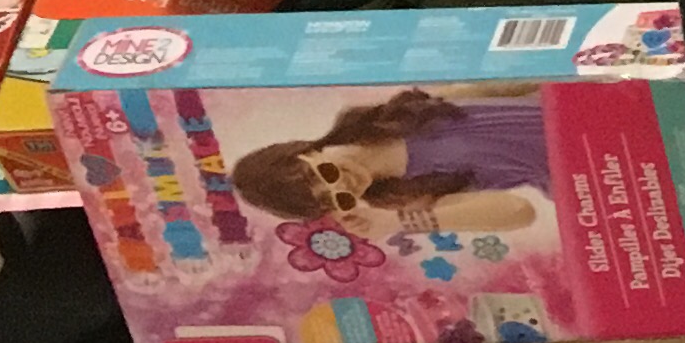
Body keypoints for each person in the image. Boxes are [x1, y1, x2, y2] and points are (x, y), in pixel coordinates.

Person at [231, 86, 550, 238]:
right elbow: (518, 210)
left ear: (306, 151)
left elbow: (508, 85)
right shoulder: (406, 199)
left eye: (320, 174)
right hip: (573, 164)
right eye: (335, 199)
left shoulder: (387, 113)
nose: (341, 185)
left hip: (567, 107)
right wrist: (399, 223)